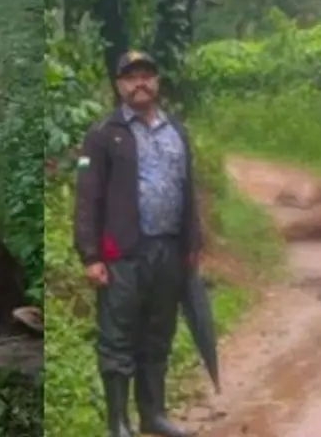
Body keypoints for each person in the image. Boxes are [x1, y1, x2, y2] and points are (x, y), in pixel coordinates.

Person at [74, 50, 203, 437]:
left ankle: (153, 415)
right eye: (131, 77)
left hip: (169, 251)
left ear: (157, 82)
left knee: (157, 333)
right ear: (119, 86)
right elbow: (87, 198)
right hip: (123, 254)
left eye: (146, 75)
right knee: (118, 337)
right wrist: (90, 255)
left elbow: (188, 190)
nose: (140, 83)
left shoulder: (176, 131)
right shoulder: (103, 135)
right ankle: (118, 423)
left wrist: (193, 242)